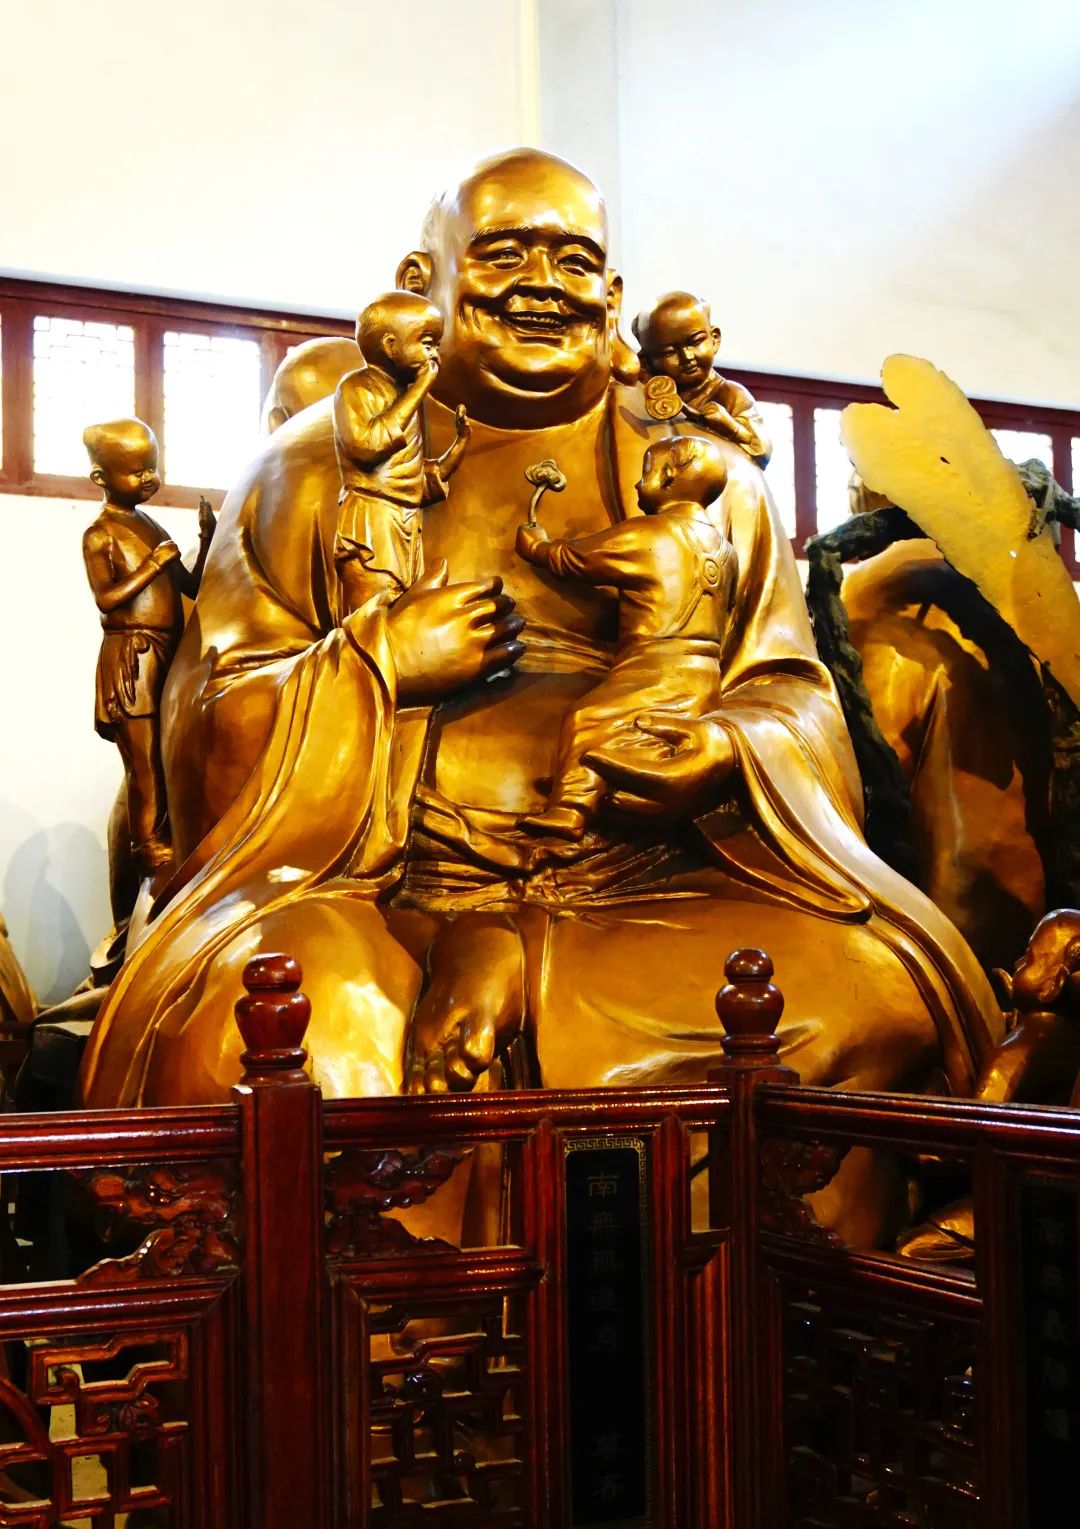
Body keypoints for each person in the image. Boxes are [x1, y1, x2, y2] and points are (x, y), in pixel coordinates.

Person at [81, 151, 1001, 1248]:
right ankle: (410, 1342)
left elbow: (791, 695)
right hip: (378, 890)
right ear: (422, 278)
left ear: (612, 293)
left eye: (574, 261)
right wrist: (378, 660)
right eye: (505, 253)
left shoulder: (706, 479)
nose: (542, 285)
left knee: (866, 988)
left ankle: (728, 1336)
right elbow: (209, 725)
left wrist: (727, 752)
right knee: (308, 1027)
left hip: (651, 892)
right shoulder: (311, 468)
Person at [516, 434, 735, 840]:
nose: (637, 483)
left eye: (646, 472)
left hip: (653, 667)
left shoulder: (649, 535)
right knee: (642, 728)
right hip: (706, 675)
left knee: (588, 719)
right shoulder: (725, 550)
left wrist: (538, 548)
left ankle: (570, 809)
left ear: (668, 476)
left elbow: (578, 558)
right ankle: (612, 788)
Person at [81, 419, 204, 874]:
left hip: (168, 650)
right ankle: (147, 843)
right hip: (132, 656)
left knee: (171, 750)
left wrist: (207, 539)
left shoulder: (149, 524)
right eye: (136, 471)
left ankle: (175, 830)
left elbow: (189, 586)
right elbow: (107, 598)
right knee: (145, 760)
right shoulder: (100, 533)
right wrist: (153, 565)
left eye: (152, 467)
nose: (149, 478)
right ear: (101, 477)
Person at [333, 292, 470, 610]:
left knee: (402, 617)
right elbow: (367, 446)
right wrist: (421, 388)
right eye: (427, 343)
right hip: (372, 523)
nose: (434, 353)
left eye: (436, 344)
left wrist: (460, 443)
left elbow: (412, 478)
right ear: (391, 346)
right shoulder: (356, 387)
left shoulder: (402, 395)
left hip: (406, 522)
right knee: (372, 618)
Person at [633, 291, 771, 465]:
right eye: (669, 352)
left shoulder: (731, 394)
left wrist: (730, 426)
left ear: (715, 339)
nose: (687, 357)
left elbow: (761, 450)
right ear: (646, 361)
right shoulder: (641, 397)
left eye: (695, 342)